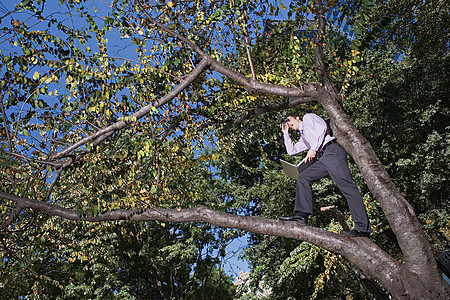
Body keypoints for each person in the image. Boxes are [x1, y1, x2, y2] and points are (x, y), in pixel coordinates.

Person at [280, 113, 372, 238]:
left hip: (332, 151)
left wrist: (313, 148)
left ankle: (362, 229)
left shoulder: (308, 118)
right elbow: (292, 151)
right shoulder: (303, 137)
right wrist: (286, 134)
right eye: (287, 123)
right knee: (303, 177)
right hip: (323, 158)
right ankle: (301, 215)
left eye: (289, 120)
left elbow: (322, 128)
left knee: (347, 188)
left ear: (297, 117)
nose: (289, 123)